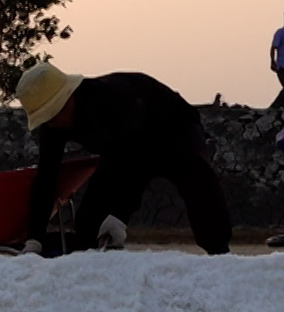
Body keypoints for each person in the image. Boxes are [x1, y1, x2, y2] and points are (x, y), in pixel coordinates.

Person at [14, 63, 233, 256]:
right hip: (121, 149)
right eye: (46, 118)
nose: (52, 123)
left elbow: (141, 154)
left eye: (53, 114)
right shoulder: (54, 125)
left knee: (198, 182)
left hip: (171, 131)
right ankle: (92, 266)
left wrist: (120, 214)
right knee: (88, 221)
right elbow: (46, 176)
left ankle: (220, 255)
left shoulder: (111, 98)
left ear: (68, 97)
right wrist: (35, 237)